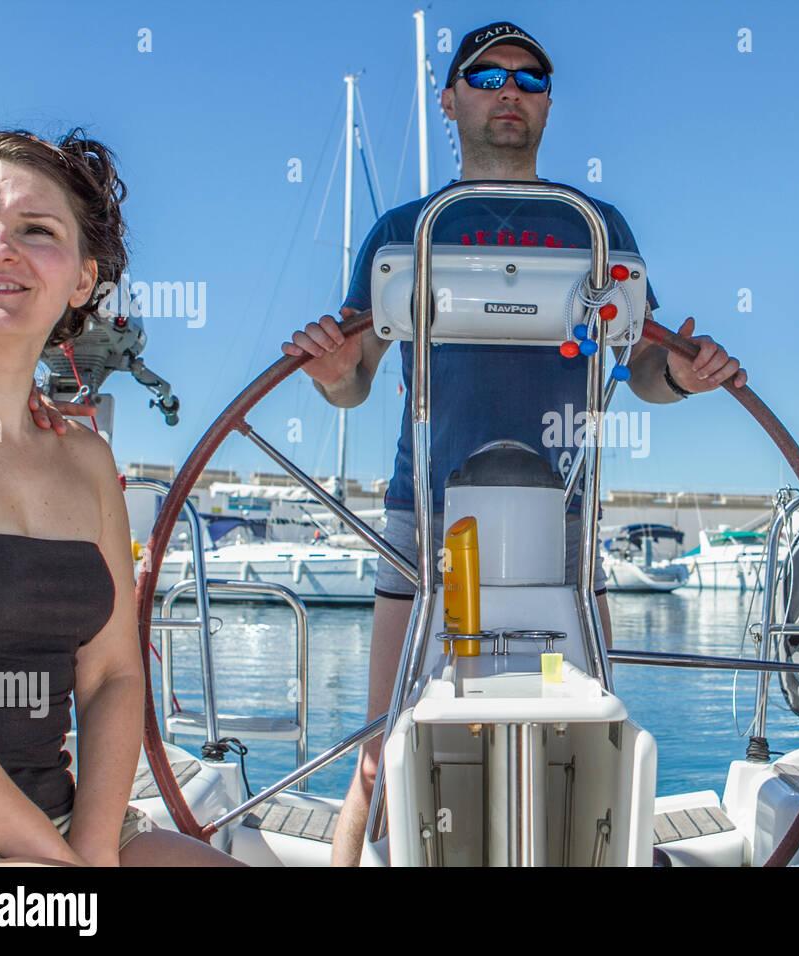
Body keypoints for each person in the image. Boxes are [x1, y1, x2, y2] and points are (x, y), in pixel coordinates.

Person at [280, 21, 747, 867]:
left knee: (590, 738)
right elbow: (353, 379)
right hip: (421, 512)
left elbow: (642, 362)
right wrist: (331, 371)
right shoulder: (401, 227)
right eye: (488, 75)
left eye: (530, 81)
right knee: (379, 757)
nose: (509, 92)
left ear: (547, 106)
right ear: (450, 97)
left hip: (565, 523)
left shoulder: (597, 226)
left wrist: (685, 377)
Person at [0, 129, 238, 867]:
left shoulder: (85, 460)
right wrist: (62, 872)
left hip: (66, 827)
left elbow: (111, 673)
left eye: (36, 230)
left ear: (82, 280)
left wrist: (97, 844)